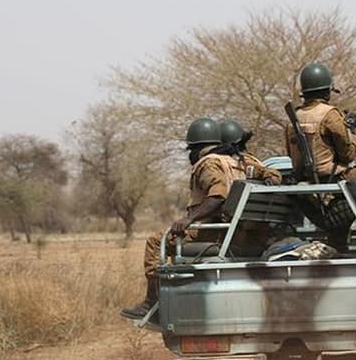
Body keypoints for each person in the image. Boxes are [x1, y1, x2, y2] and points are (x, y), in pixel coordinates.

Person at [120, 118, 282, 320]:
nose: (190, 155)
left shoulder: (209, 163)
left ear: (198, 148)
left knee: (155, 241)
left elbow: (218, 196)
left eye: (191, 150)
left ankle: (153, 303)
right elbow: (274, 175)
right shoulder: (243, 162)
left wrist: (189, 219)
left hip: (215, 233)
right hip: (243, 233)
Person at [285, 62, 356, 182]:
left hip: (302, 179)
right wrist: (353, 136)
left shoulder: (293, 117)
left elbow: (291, 154)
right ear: (327, 92)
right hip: (331, 179)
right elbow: (347, 155)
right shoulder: (330, 114)